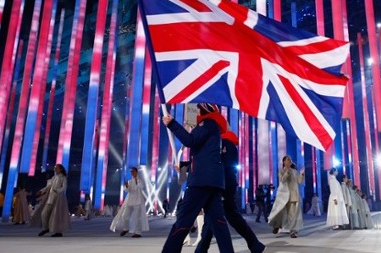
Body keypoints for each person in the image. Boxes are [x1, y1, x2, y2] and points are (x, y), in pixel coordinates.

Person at [161, 103, 234, 253]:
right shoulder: (213, 128)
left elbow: (190, 141)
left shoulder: (207, 123)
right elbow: (203, 158)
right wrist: (183, 167)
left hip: (201, 182)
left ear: (204, 110)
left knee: (183, 220)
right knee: (219, 223)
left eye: (197, 109)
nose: (194, 113)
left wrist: (172, 124)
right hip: (212, 181)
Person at [195, 126, 265, 253]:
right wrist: (185, 167)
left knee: (221, 216)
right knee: (222, 216)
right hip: (218, 183)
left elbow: (225, 165)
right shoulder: (216, 143)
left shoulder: (226, 143)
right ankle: (255, 244)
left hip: (222, 184)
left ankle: (201, 249)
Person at [268, 155, 304, 238]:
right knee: (280, 212)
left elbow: (300, 181)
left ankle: (293, 231)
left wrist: (302, 174)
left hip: (293, 195)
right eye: (288, 159)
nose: (290, 161)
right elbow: (282, 180)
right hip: (283, 196)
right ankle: (277, 225)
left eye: (290, 159)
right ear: (284, 162)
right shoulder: (281, 171)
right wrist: (287, 172)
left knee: (292, 214)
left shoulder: (295, 171)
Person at [110, 167, 149, 238]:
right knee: (125, 215)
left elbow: (141, 187)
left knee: (137, 217)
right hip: (130, 200)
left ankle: (138, 232)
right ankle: (126, 228)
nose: (132, 173)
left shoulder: (140, 180)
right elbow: (126, 190)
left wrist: (137, 181)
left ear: (136, 172)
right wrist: (126, 186)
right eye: (131, 172)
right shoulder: (130, 181)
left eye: (133, 172)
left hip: (138, 201)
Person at [36, 164, 70, 237]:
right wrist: (41, 191)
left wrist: (57, 190)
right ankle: (46, 228)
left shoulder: (63, 178)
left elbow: (64, 188)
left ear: (60, 169)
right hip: (51, 198)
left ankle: (58, 232)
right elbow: (48, 186)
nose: (54, 169)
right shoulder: (53, 178)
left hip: (58, 198)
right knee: (44, 214)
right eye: (54, 168)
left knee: (57, 215)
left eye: (56, 168)